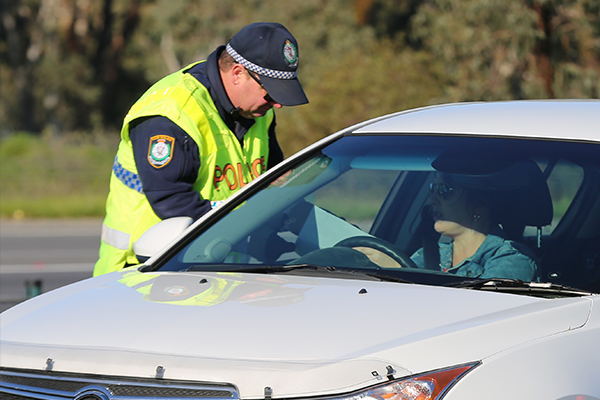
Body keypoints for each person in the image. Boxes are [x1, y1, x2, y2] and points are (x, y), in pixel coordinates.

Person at [94, 22, 308, 276]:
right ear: (238, 73)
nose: (277, 104)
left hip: (219, 269)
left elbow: (272, 183)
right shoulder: (171, 113)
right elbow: (172, 201)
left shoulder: (259, 111)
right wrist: (249, 229)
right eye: (271, 93)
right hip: (146, 273)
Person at [411, 158, 546, 281]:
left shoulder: (513, 259)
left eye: (443, 191)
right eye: (432, 189)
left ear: (479, 206)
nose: (432, 200)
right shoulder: (429, 253)